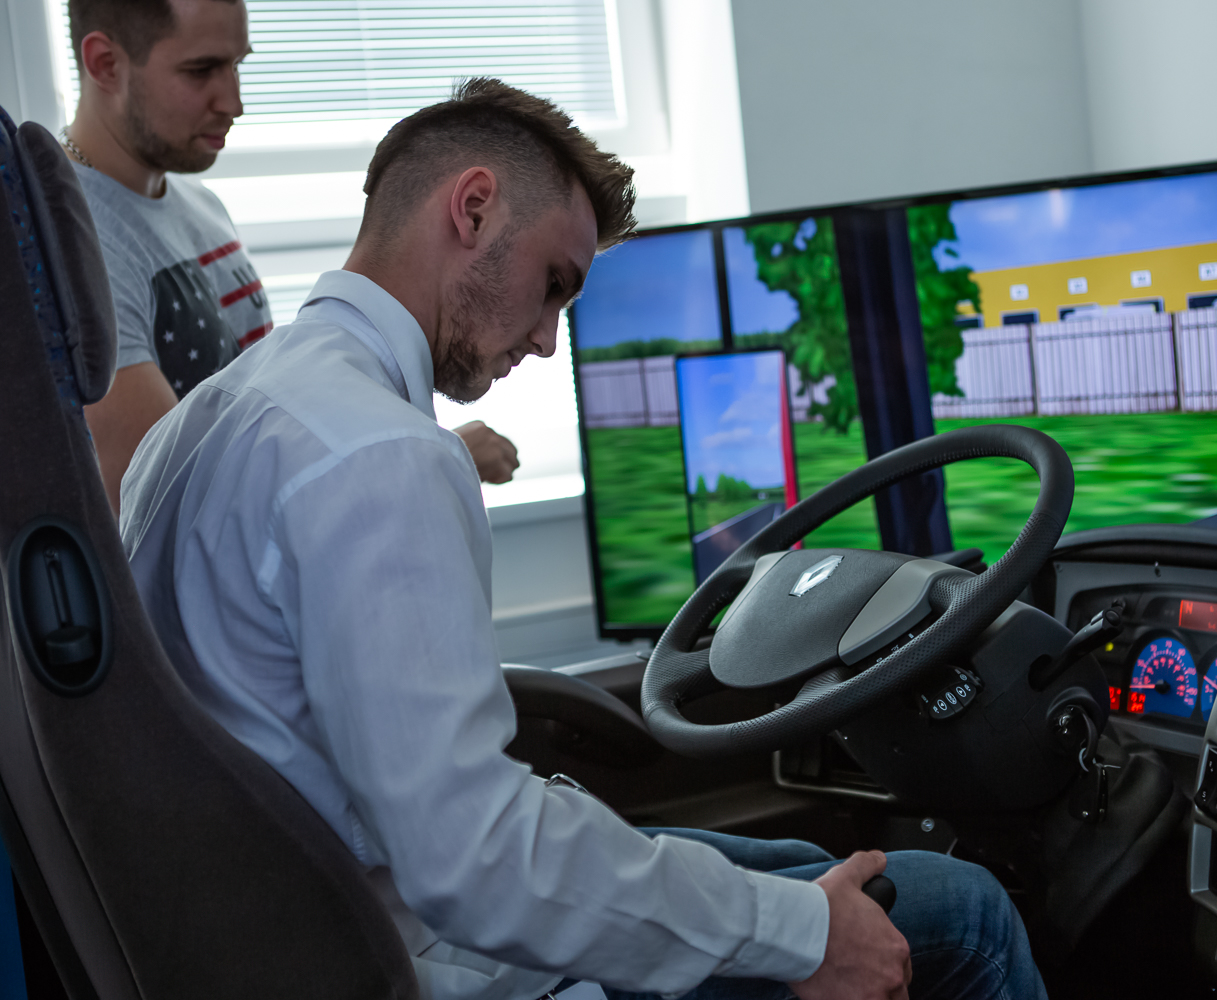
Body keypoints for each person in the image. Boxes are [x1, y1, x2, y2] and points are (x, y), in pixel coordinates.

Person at [119, 76, 1048, 1000]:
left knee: (811, 867)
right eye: (553, 286)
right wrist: (805, 938)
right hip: (420, 955)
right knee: (959, 910)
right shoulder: (382, 457)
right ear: (473, 209)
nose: (546, 341)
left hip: (303, 921)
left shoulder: (205, 419)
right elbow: (475, 862)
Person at [61, 0, 518, 515]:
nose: (234, 103)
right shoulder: (76, 243)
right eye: (202, 70)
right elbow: (169, 503)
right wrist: (434, 457)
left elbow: (268, 417)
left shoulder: (200, 205)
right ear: (105, 64)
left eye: (237, 65)